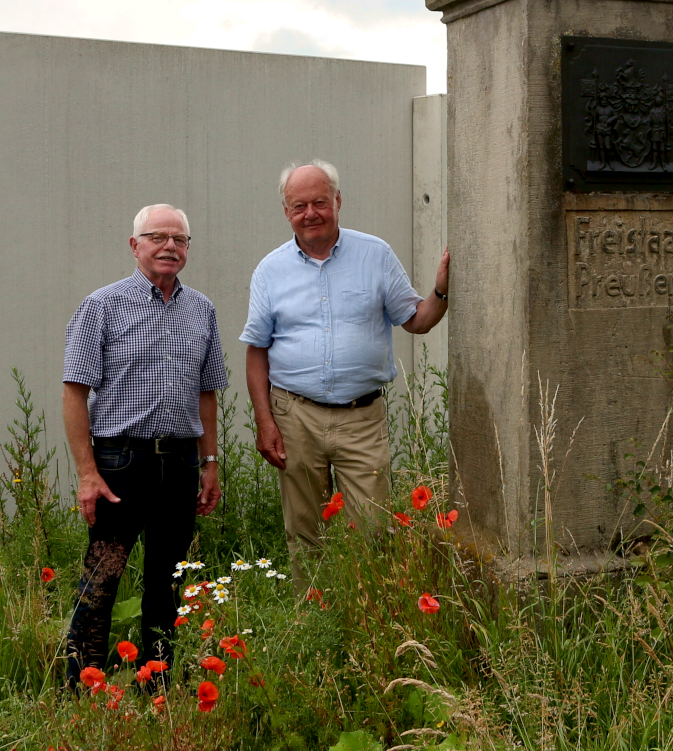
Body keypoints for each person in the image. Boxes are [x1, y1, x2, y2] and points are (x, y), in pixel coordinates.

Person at [241, 160, 448, 588]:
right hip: (294, 416)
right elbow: (257, 350)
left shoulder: (375, 254)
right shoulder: (269, 270)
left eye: (320, 202)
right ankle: (313, 619)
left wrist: (443, 289)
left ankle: (363, 625)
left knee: (372, 531)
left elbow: (417, 320)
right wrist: (265, 423)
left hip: (361, 416)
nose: (310, 213)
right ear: (286, 212)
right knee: (305, 532)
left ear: (338, 201)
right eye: (300, 205)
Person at [60, 203, 228, 684]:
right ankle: (81, 685)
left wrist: (209, 463)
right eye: (157, 237)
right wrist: (87, 473)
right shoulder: (102, 306)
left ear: (188, 249)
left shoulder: (202, 310)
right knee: (103, 577)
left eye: (179, 239)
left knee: (168, 582)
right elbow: (75, 393)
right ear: (135, 246)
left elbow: (206, 392)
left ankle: (158, 685)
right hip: (120, 462)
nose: (169, 246)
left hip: (179, 465)